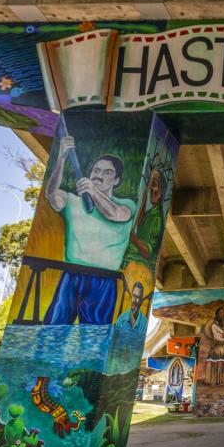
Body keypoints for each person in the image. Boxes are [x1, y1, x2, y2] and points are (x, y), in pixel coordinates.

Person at [44, 135, 137, 324]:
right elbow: (51, 194)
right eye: (96, 170)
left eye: (107, 172)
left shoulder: (126, 205)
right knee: (53, 329)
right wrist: (61, 158)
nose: (99, 174)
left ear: (116, 180)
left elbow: (114, 214)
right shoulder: (73, 201)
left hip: (103, 280)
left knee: (93, 338)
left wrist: (93, 191)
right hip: (71, 275)